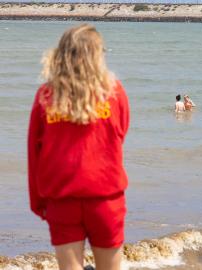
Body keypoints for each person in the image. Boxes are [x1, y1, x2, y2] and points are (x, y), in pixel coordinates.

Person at [28, 24, 129, 270]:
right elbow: (120, 133)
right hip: (105, 199)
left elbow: (34, 153)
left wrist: (38, 202)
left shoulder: (46, 95)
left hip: (63, 200)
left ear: (61, 54)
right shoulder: (114, 92)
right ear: (97, 55)